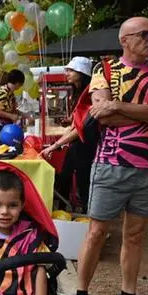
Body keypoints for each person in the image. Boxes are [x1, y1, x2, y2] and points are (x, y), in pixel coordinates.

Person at [74, 17, 148, 295]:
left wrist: (117, 106)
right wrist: (145, 116)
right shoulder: (104, 71)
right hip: (110, 164)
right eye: (145, 34)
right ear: (125, 40)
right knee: (96, 233)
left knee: (135, 234)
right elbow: (102, 117)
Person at [41, 57, 96, 210]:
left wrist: (55, 145)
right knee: (64, 177)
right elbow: (77, 121)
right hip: (76, 144)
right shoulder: (77, 92)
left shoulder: (91, 93)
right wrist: (70, 120)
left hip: (87, 145)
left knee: (84, 183)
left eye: (71, 70)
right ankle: (64, 214)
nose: (67, 73)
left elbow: (80, 128)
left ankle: (91, 222)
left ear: (82, 72)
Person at [0, 69, 25, 140]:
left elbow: (10, 110)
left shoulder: (10, 94)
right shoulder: (3, 93)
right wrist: (11, 116)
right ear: (18, 83)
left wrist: (24, 114)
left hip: (6, 128)